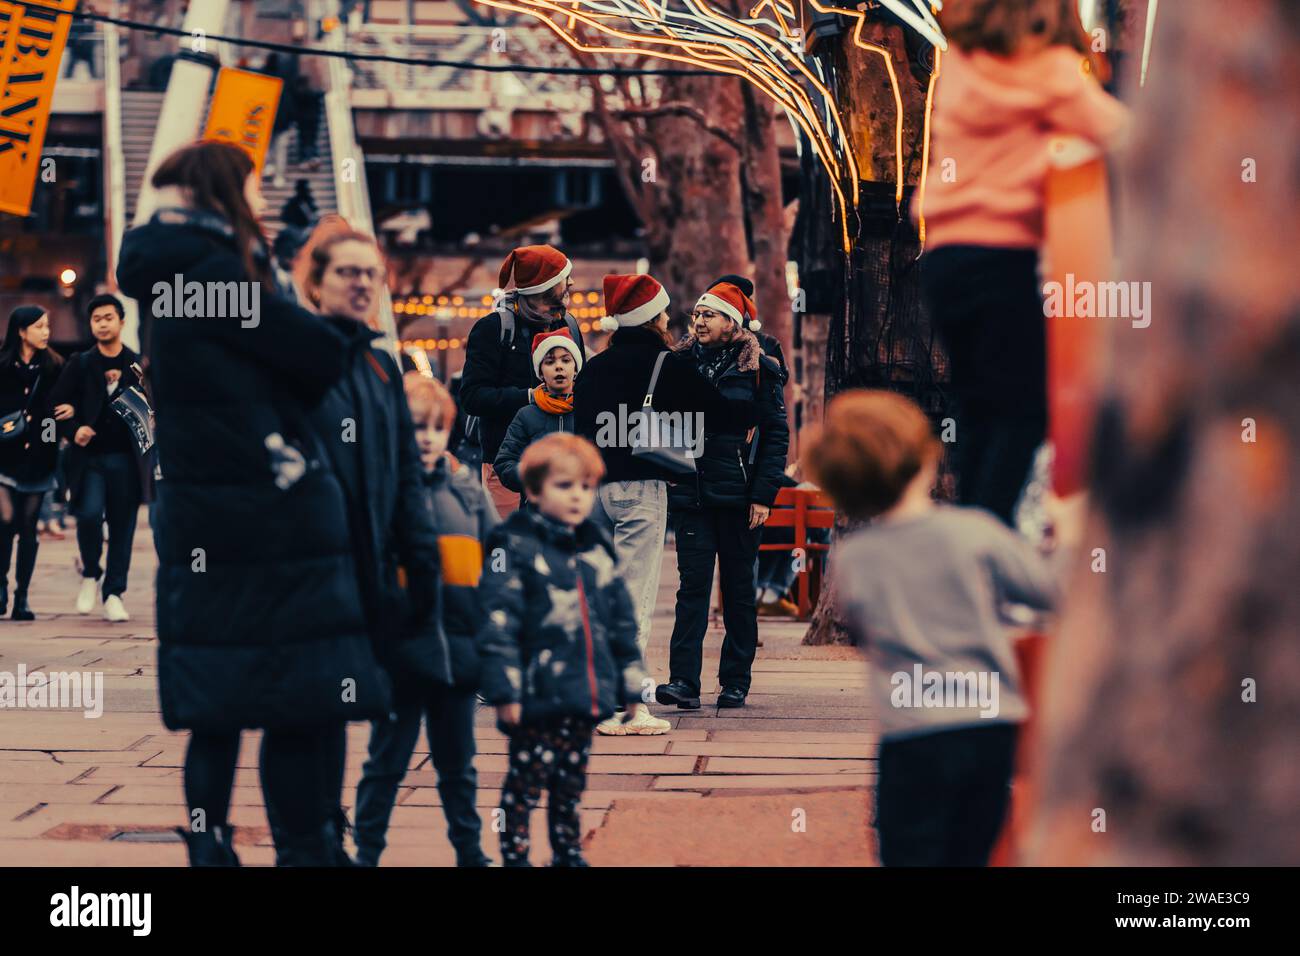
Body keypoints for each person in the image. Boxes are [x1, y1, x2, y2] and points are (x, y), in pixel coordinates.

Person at [116, 139, 390, 866]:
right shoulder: (217, 269)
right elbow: (311, 351)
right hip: (265, 517)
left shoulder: (164, 272)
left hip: (200, 517)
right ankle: (311, 842)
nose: (263, 198)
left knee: (217, 703)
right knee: (298, 698)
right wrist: (336, 334)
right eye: (253, 187)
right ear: (224, 191)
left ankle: (208, 844)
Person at [803, 389, 1060, 866]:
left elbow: (862, 622)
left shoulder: (854, 559)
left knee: (910, 851)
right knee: (973, 851)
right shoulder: (976, 532)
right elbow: (1048, 592)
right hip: (990, 726)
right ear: (922, 460)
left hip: (911, 732)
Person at [918, 0, 1128, 525]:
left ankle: (970, 547)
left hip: (944, 259)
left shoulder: (961, 64)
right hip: (1001, 257)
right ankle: (984, 540)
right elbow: (1126, 135)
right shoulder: (1050, 72)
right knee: (1024, 411)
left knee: (979, 413)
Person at [297, 227, 445, 864]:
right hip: (310, 573)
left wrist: (421, 557)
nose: (361, 283)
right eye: (346, 273)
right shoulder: (298, 360)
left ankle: (334, 834)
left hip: (373, 570)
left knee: (353, 707)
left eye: (371, 274)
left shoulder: (383, 366)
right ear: (315, 282)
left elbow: (406, 474)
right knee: (311, 716)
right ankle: (313, 840)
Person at [575, 273, 759, 734]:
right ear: (651, 316)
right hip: (642, 489)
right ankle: (630, 709)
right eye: (662, 311)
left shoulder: (594, 367)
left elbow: (581, 431)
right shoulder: (666, 365)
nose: (668, 318)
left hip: (594, 489)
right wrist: (755, 395)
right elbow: (719, 414)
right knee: (635, 596)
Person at [476, 433, 649, 866]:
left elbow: (620, 622)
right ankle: (514, 852)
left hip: (583, 691)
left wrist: (631, 684)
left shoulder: (595, 548)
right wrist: (504, 689)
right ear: (534, 491)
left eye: (586, 487)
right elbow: (497, 622)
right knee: (526, 779)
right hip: (534, 695)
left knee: (571, 781)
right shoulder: (514, 546)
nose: (577, 497)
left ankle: (566, 852)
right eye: (564, 486)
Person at [352, 374, 496, 867]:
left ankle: (470, 852)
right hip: (401, 654)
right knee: (386, 762)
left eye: (436, 427)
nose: (428, 437)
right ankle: (366, 851)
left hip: (459, 653)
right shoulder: (383, 492)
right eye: (416, 427)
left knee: (458, 765)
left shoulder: (467, 491)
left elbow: (494, 560)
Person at [656, 279, 788, 711]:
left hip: (740, 496)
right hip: (692, 493)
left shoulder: (758, 368)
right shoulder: (677, 363)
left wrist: (763, 495)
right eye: (696, 314)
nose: (698, 320)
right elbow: (661, 423)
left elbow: (775, 434)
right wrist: (671, 473)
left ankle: (735, 682)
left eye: (708, 313)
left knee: (738, 591)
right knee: (691, 589)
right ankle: (683, 682)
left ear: (732, 321)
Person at [460, 244, 586, 519]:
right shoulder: (493, 329)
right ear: (536, 293)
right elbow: (472, 396)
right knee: (510, 547)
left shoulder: (569, 326)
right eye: (553, 302)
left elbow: (583, 384)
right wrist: (529, 397)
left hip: (564, 467)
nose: (561, 309)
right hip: (506, 466)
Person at [50, 295, 153, 623]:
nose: (103, 323)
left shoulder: (137, 364)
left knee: (123, 527)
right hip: (89, 459)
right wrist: (72, 428)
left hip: (127, 459)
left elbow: (152, 408)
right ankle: (91, 572)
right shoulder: (80, 363)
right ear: (91, 324)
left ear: (122, 321)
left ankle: (114, 593)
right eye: (97, 319)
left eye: (109, 317)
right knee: (90, 515)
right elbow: (57, 405)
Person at [0, 307, 72, 619]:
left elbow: (68, 401)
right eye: (39, 326)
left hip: (39, 458)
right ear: (20, 330)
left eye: (48, 326)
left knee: (28, 528)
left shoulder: (55, 366)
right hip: (3, 457)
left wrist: (70, 410)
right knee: (3, 522)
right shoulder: (1, 366)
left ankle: (22, 597)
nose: (46, 332)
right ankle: (0, 586)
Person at [492, 328, 581, 499]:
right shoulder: (526, 415)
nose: (559, 366)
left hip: (582, 506)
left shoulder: (588, 409)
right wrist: (536, 474)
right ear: (540, 372)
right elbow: (504, 463)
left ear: (575, 368)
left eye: (566, 360)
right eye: (549, 362)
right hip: (539, 508)